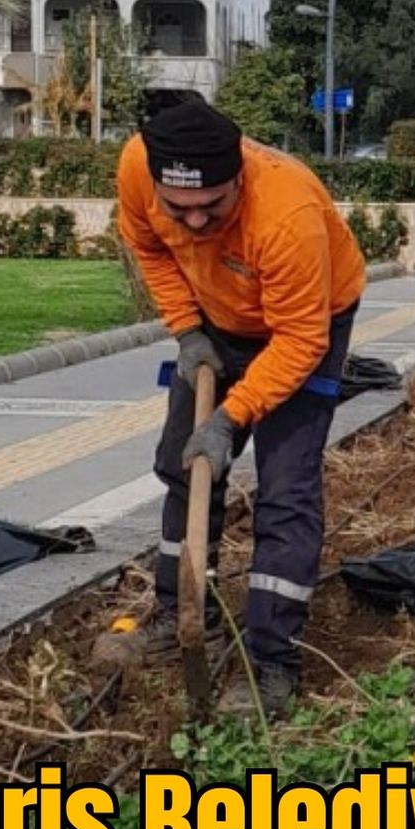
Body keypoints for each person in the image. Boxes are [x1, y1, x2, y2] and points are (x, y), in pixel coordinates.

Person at [115, 100, 369, 715]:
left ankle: (272, 664)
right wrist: (187, 333)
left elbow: (301, 341)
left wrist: (233, 416)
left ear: (240, 180)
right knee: (185, 467)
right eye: (182, 209)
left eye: (214, 206)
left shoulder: (288, 214)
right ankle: (180, 615)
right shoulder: (136, 166)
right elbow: (147, 245)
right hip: (214, 318)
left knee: (286, 489)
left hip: (308, 324)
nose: (196, 222)